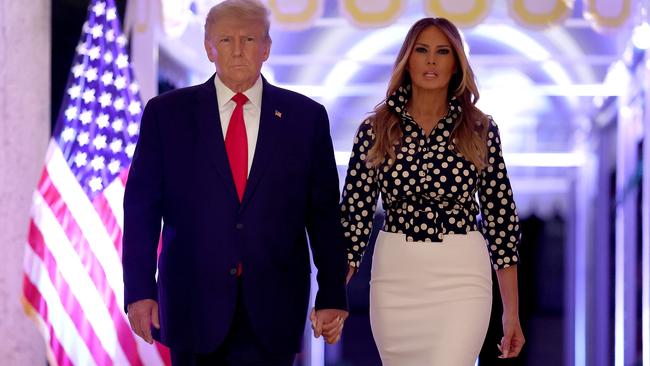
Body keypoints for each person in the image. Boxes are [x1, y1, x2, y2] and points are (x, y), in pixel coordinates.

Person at [122, 1, 348, 364]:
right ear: (209, 48)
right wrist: (139, 290)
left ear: (267, 47)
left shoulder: (305, 118)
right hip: (192, 304)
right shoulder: (167, 114)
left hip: (274, 309)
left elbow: (323, 215)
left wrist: (332, 294)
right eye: (226, 40)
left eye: (249, 39)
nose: (238, 50)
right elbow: (141, 211)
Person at [338, 17, 525, 365]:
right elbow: (353, 220)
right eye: (422, 50)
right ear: (407, 59)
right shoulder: (376, 130)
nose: (431, 60)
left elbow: (501, 222)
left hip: (462, 274)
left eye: (442, 52)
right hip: (395, 276)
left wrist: (511, 314)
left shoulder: (480, 129)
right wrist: (333, 296)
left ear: (456, 63)